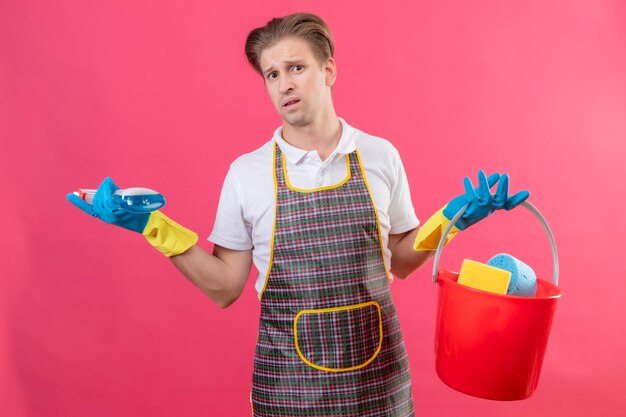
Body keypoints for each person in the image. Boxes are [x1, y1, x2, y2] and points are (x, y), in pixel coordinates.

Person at [67, 12, 529, 417]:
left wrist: (451, 219)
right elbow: (226, 287)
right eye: (271, 74)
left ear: (328, 71)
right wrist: (155, 227)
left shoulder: (379, 156)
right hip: (288, 389)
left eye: (296, 67)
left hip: (381, 385)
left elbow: (402, 261)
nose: (284, 83)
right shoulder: (246, 174)